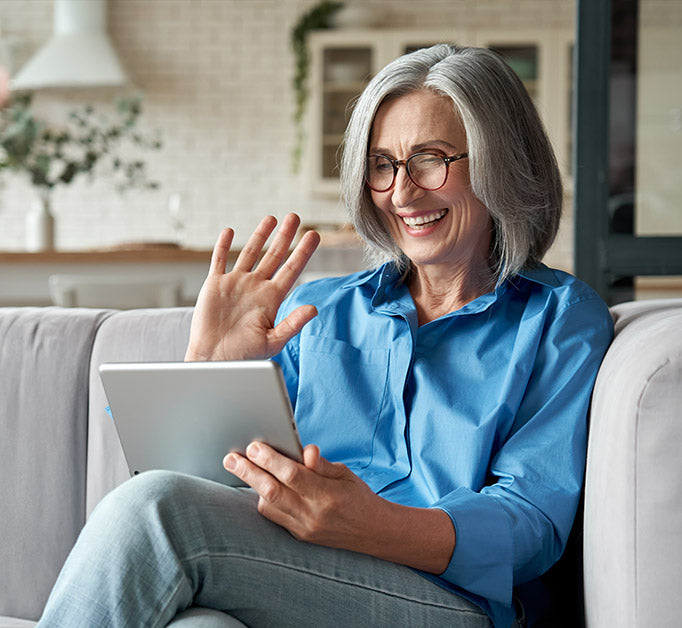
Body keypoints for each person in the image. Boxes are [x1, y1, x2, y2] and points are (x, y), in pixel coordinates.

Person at [37, 44, 613, 628]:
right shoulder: (317, 309)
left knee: (156, 514)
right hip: (293, 575)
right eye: (383, 165)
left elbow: (533, 526)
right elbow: (214, 490)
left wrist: (374, 525)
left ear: (501, 162)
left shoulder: (559, 317)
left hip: (448, 600)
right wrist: (207, 364)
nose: (402, 193)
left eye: (431, 159)